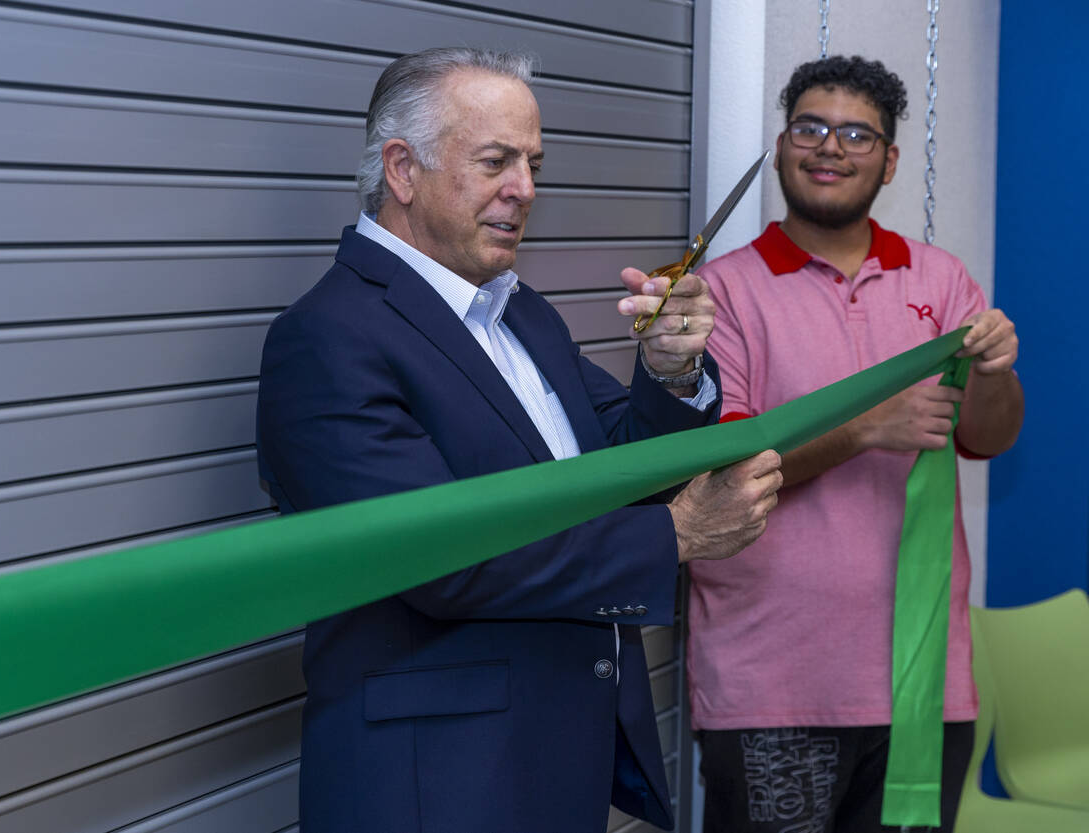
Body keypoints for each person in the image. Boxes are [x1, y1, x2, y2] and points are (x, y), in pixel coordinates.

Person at [256, 47, 782, 833]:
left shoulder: (519, 311)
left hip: (552, 766)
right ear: (402, 170)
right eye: (496, 160)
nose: (525, 190)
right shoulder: (326, 338)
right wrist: (677, 534)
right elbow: (441, 557)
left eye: (533, 163)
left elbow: (614, 457)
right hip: (435, 786)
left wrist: (671, 376)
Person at [690, 55, 1024, 833]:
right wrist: (866, 429)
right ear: (779, 146)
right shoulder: (725, 292)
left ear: (890, 159)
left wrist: (997, 370)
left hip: (923, 686)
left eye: (855, 133)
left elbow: (989, 435)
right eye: (809, 127)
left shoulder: (940, 280)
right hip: (772, 690)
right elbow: (725, 474)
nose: (829, 147)